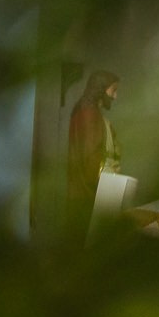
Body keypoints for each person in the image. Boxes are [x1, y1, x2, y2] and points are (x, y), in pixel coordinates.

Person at [67, 69, 122, 238]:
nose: (115, 96)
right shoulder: (88, 114)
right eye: (113, 90)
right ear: (100, 89)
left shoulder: (89, 111)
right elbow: (91, 155)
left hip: (90, 191)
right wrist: (102, 187)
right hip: (90, 194)